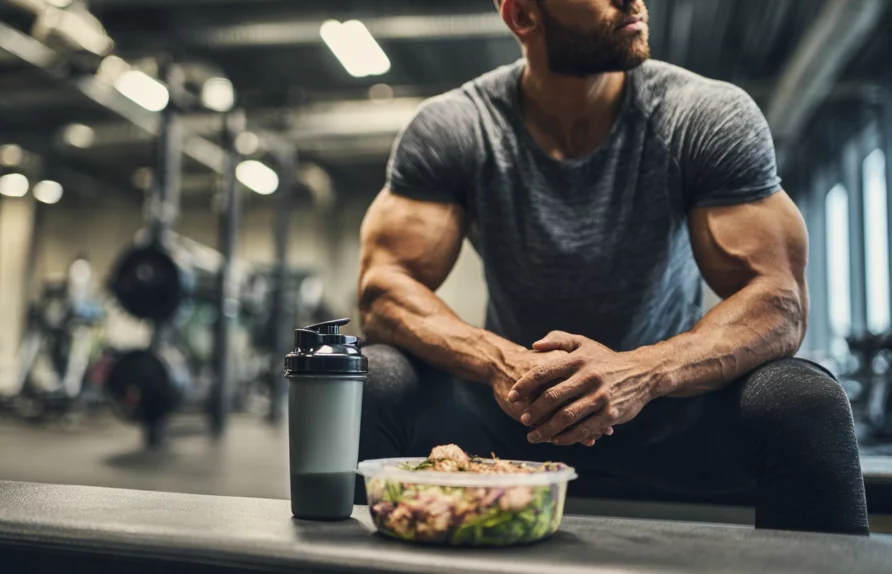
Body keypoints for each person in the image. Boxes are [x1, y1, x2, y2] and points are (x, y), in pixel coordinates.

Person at [356, 0, 869, 535]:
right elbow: (383, 290)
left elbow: (779, 302)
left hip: (668, 411)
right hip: (514, 414)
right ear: (522, 17)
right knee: (371, 379)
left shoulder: (703, 114)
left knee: (804, 399)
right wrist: (499, 362)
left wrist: (644, 373)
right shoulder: (459, 126)